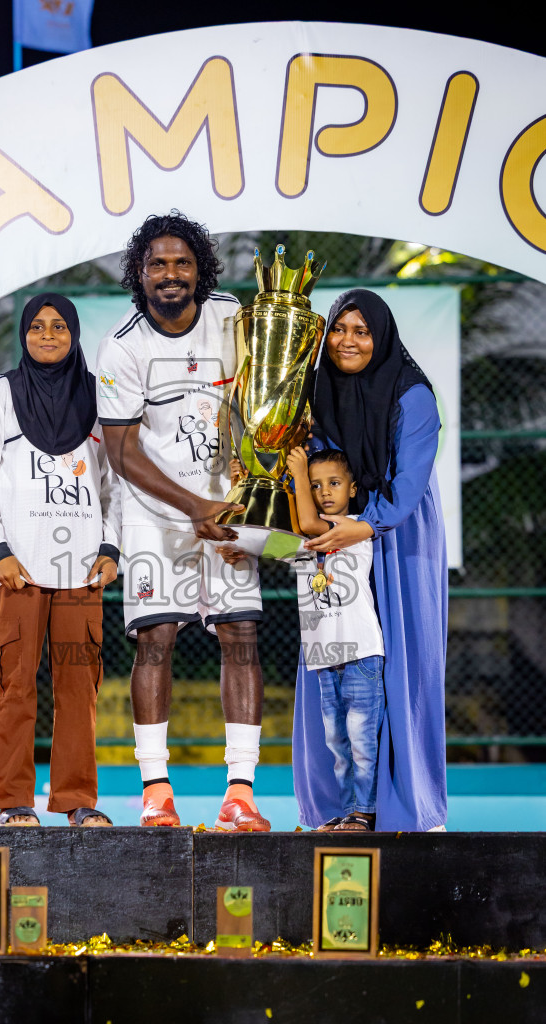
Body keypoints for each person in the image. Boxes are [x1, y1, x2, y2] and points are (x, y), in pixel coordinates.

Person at [96, 211, 270, 831]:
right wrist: (191, 507)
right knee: (155, 641)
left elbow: (265, 406)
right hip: (154, 514)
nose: (170, 275)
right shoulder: (123, 345)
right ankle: (156, 791)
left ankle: (241, 793)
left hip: (226, 509)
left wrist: (238, 502)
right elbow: (120, 452)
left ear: (201, 268)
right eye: (157, 265)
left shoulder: (232, 318)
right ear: (139, 275)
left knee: (241, 638)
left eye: (181, 263)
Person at [293, 288, 448, 832]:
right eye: (339, 329)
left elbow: (408, 486)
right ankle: (341, 807)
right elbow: (312, 469)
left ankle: (405, 806)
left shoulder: (413, 395)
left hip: (396, 537)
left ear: (380, 337)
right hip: (337, 535)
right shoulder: (318, 390)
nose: (348, 341)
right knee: (335, 667)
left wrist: (358, 526)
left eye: (361, 331)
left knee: (399, 666)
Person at [0, 293, 121, 827]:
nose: (49, 335)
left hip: (81, 571)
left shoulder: (97, 397)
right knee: (15, 688)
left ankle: (77, 801)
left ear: (75, 334)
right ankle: (14, 805)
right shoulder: (2, 393)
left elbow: (113, 482)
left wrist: (110, 547)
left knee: (79, 688)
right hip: (19, 571)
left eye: (59, 326)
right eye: (37, 326)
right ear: (24, 335)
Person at [285, 446, 384, 831]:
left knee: (362, 743)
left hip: (361, 654)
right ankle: (348, 813)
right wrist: (233, 547)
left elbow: (310, 524)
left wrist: (296, 475)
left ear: (353, 489)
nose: (324, 491)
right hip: (325, 658)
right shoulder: (301, 544)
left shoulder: (354, 529)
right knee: (338, 747)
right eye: (314, 485)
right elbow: (270, 546)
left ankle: (367, 812)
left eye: (334, 483)